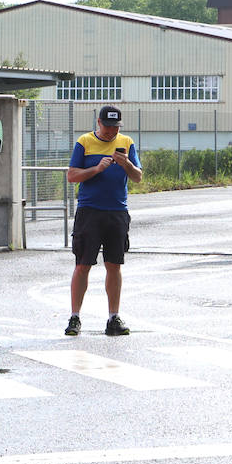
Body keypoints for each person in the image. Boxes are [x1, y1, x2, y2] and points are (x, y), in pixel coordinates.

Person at [64, 105, 142, 336]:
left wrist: (126, 163)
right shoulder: (85, 142)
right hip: (89, 211)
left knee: (114, 265)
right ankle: (75, 317)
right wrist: (97, 169)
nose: (111, 132)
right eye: (107, 127)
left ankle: (113, 318)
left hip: (117, 211)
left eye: (115, 127)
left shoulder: (127, 143)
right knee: (83, 265)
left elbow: (138, 177)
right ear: (98, 123)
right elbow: (72, 175)